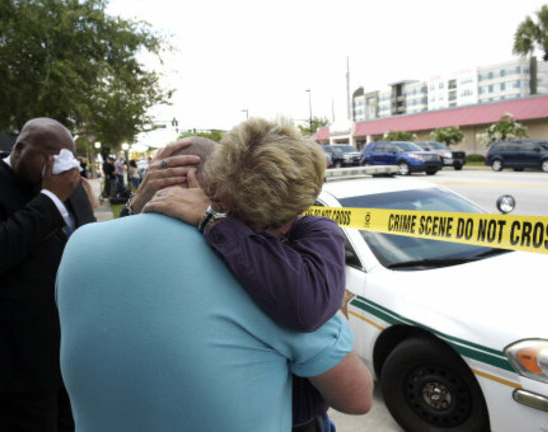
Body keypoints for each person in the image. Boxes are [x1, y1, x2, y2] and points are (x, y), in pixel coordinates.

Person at [55, 119, 373, 432]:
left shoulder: (78, 247)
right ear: (213, 187)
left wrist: (138, 207)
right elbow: (358, 397)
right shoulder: (257, 267)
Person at [141, 139, 347, 430]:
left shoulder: (310, 231)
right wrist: (137, 205)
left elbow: (307, 308)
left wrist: (214, 219)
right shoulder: (211, 233)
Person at [0, 117, 96, 432]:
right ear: (21, 148)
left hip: (68, 354)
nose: (56, 164)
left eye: (65, 155)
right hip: (9, 361)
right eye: (49, 154)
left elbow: (87, 246)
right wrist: (50, 198)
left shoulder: (71, 188)